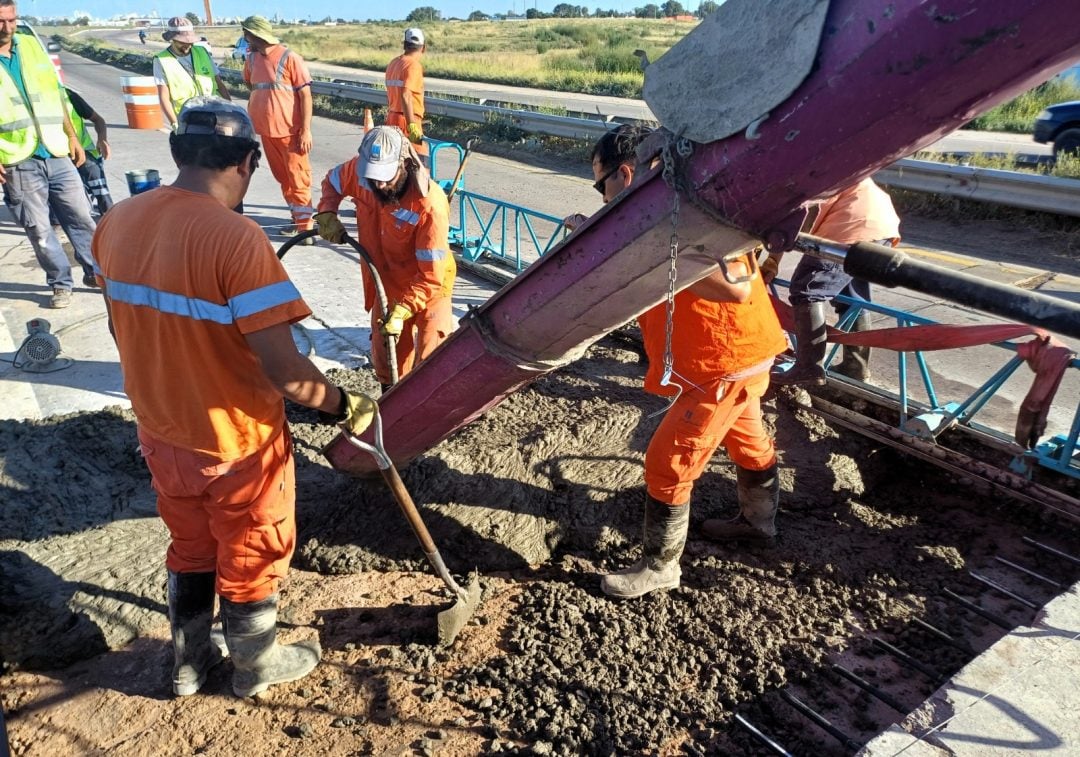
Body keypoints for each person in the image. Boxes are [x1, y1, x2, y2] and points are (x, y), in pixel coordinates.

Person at [91, 97, 378, 699]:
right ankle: (254, 665)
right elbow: (288, 375)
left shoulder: (118, 221)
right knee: (252, 550)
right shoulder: (236, 239)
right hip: (236, 442)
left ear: (177, 154)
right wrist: (346, 405)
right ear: (248, 162)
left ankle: (189, 664)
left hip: (161, 430)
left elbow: (122, 327)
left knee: (190, 545)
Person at [581, 126, 788, 600]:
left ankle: (660, 566)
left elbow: (735, 285)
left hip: (725, 361)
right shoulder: (665, 207)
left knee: (667, 462)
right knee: (749, 439)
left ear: (627, 172)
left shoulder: (698, 205)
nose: (602, 196)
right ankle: (760, 522)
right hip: (736, 356)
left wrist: (646, 254)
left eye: (602, 185)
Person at [314, 126, 455, 390]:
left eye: (385, 178)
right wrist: (327, 211)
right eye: (372, 178)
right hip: (386, 282)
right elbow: (332, 181)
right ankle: (392, 401)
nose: (378, 185)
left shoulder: (429, 205)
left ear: (404, 165)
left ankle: (429, 414)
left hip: (429, 287)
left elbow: (431, 276)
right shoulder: (362, 175)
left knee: (430, 357)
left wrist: (404, 309)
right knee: (386, 356)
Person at [0, 0, 97, 308]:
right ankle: (60, 282)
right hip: (16, 159)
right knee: (39, 229)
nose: (7, 28)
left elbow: (55, 93)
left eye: (12, 20)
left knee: (82, 217)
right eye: (0, 22)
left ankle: (98, 272)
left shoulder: (29, 45)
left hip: (55, 150)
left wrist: (72, 135)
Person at [762, 178, 901, 385]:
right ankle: (855, 368)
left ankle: (808, 368)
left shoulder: (790, 176)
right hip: (879, 225)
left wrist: (773, 259)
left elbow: (787, 227)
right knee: (851, 298)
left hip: (848, 225)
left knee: (807, 289)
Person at [242, 15, 316, 241]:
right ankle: (297, 221)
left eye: (247, 34)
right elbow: (251, 84)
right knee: (284, 179)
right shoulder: (252, 59)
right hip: (267, 132)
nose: (245, 38)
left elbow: (305, 95)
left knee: (298, 179)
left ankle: (306, 230)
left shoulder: (289, 57)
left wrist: (305, 129)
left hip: (291, 133)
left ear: (257, 35)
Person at [154, 16, 231, 131]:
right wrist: (174, 123)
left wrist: (230, 109)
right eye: (182, 41)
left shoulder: (202, 52)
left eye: (190, 41)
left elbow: (219, 84)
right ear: (172, 39)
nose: (187, 44)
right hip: (188, 119)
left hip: (214, 114)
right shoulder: (162, 60)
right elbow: (164, 97)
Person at [64, 86, 113, 215]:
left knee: (99, 186)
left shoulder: (67, 95)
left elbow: (98, 120)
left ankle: (109, 217)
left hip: (85, 153)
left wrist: (102, 139)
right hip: (57, 157)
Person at [385, 27, 428, 166]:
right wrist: (412, 126)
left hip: (392, 118)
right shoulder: (413, 65)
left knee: (396, 166)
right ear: (423, 48)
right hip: (407, 120)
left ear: (405, 45)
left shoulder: (394, 63)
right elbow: (406, 95)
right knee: (419, 164)